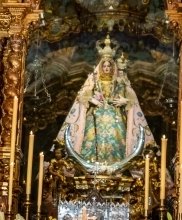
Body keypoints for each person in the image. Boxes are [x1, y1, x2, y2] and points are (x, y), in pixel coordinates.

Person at [57, 35, 152, 166]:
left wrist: (125, 100)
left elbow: (131, 98)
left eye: (109, 66)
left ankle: (116, 165)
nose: (107, 68)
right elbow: (82, 96)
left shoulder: (120, 82)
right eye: (104, 66)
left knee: (116, 138)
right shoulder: (93, 81)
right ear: (101, 67)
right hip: (96, 116)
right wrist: (91, 100)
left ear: (113, 67)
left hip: (115, 116)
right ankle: (93, 164)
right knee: (92, 139)